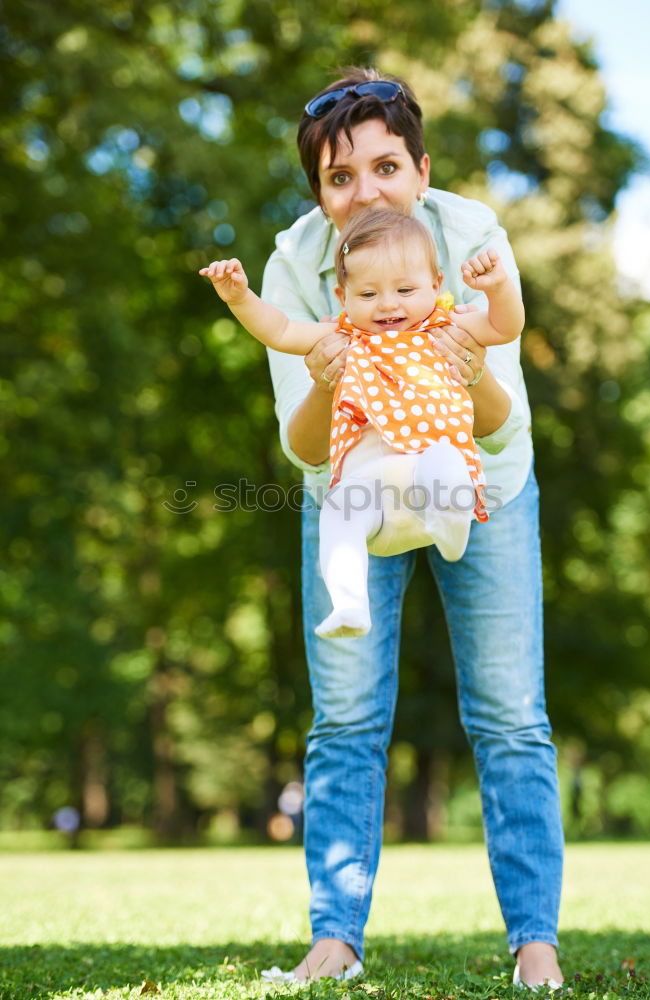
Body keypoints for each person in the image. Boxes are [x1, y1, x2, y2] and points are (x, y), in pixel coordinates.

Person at [234, 69, 564, 987]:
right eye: (340, 179)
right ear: (318, 193)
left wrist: (468, 366)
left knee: (509, 717)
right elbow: (304, 452)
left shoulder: (471, 242)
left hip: (477, 481)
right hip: (355, 484)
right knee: (344, 719)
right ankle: (334, 939)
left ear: (420, 170)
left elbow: (497, 424)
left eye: (384, 167)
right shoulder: (296, 268)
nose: (364, 192)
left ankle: (534, 944)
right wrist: (333, 373)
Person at [200, 207, 524, 640]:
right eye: (368, 295)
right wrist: (239, 297)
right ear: (343, 297)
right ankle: (349, 604)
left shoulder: (446, 325)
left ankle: (451, 523)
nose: (388, 304)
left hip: (427, 473)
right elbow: (278, 330)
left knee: (445, 463)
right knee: (334, 512)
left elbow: (506, 326)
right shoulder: (342, 337)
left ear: (436, 285)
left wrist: (498, 288)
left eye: (405, 289)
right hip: (368, 491)